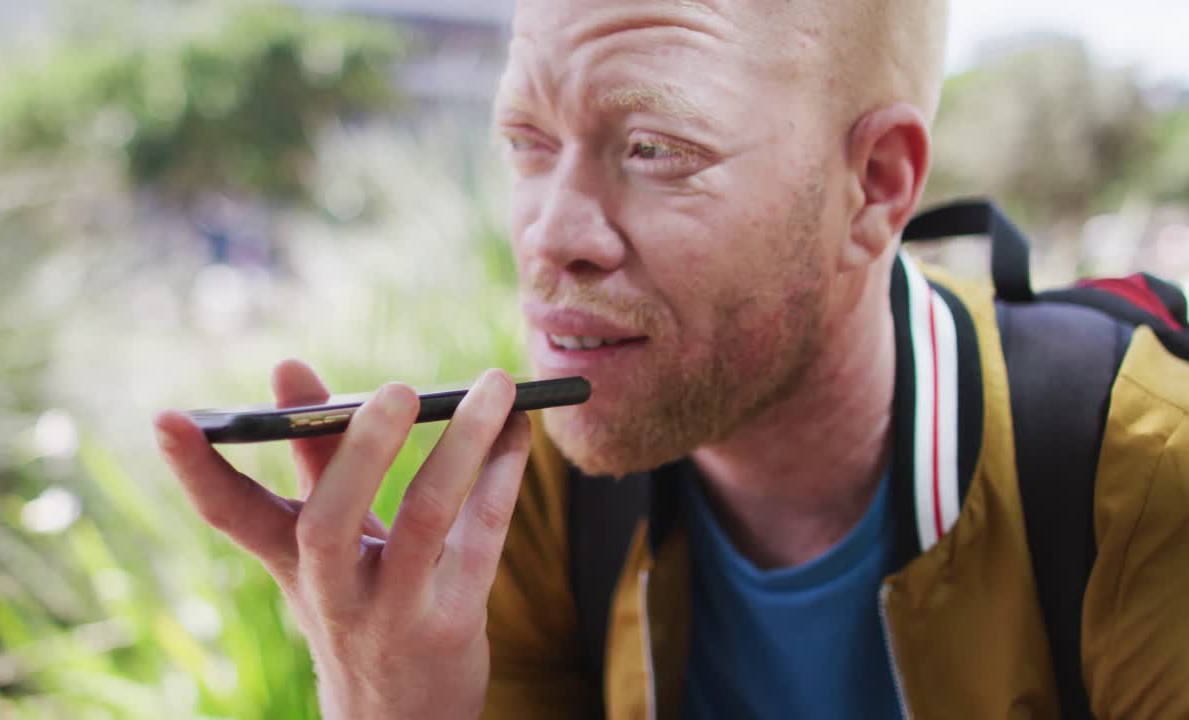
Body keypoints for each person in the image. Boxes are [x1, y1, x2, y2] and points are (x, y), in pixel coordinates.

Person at [154, 0, 1189, 717]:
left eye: (654, 148)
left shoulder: (1139, 485)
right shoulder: (519, 503)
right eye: (525, 138)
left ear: (872, 186)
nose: (551, 234)